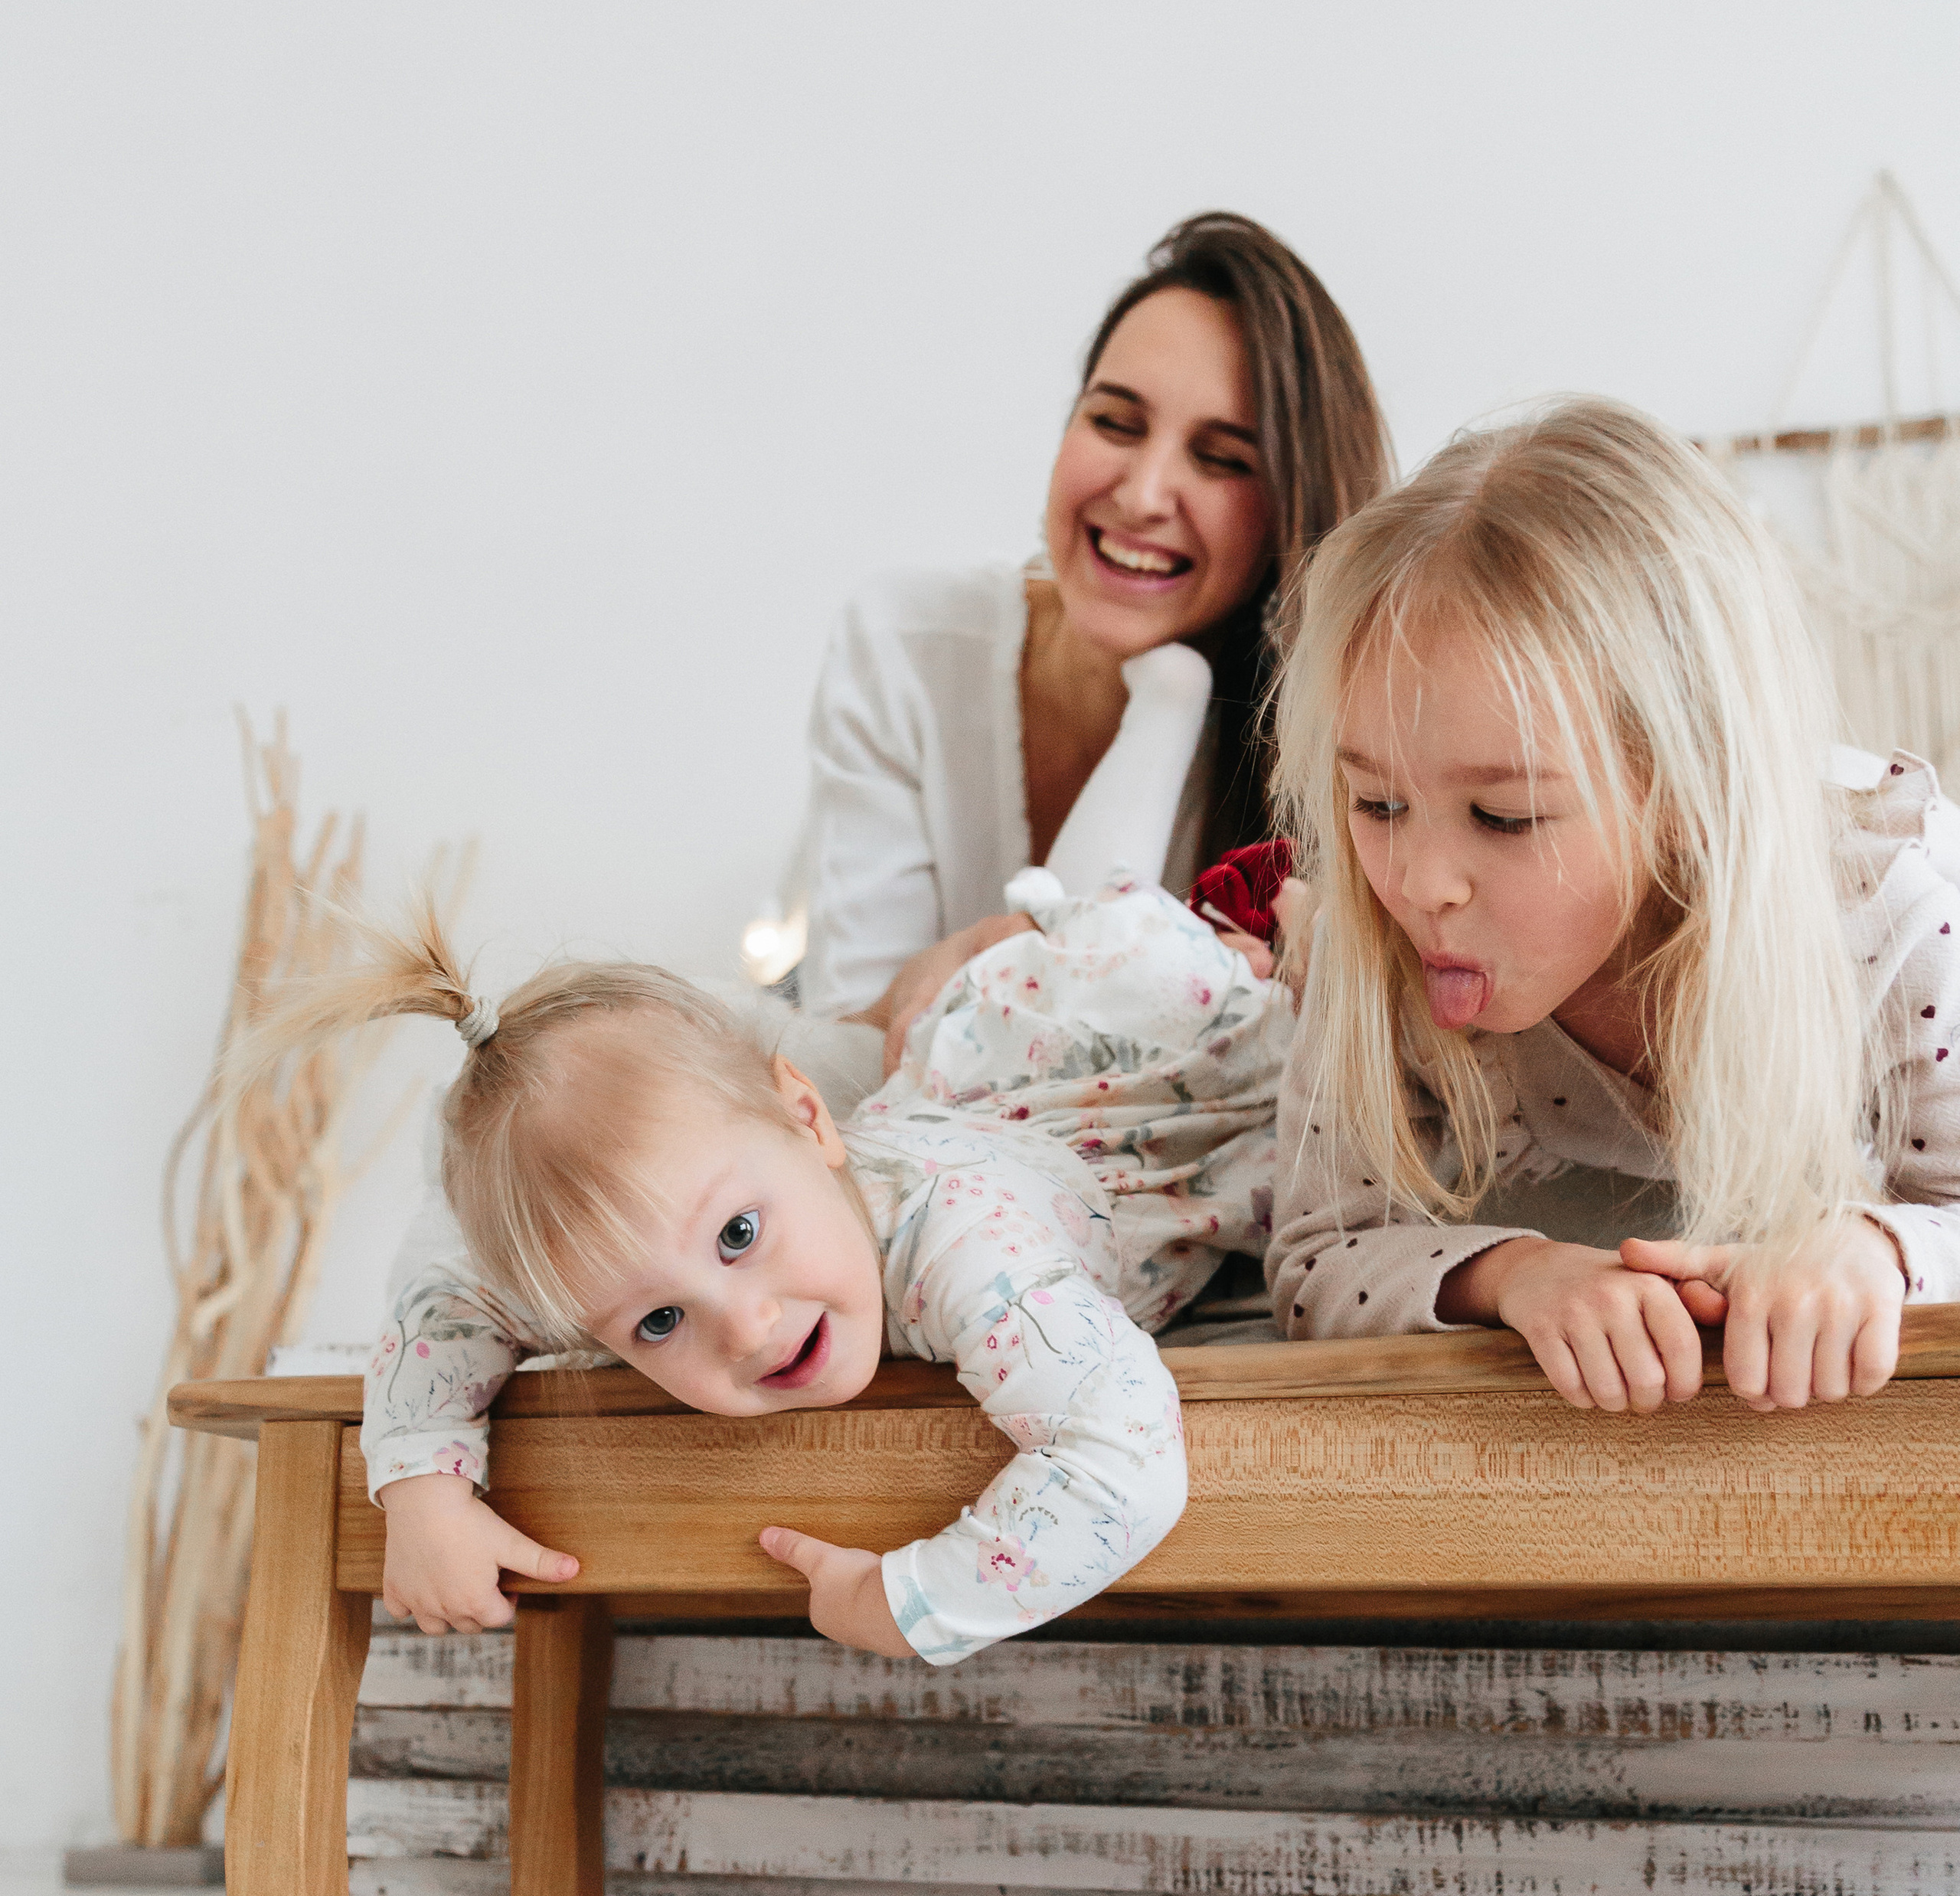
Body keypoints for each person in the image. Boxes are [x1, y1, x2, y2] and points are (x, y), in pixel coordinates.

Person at [263, 874, 1291, 1663]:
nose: (746, 1329)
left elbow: (1126, 1454)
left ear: (809, 1115)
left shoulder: (974, 1252)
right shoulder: (646, 1237)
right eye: (657, 1324)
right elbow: (453, 1294)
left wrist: (914, 1601)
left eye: (739, 1235)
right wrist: (422, 1486)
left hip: (1147, 1074)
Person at [1264, 396, 1960, 1414]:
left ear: (1686, 797)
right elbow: (1317, 1255)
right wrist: (1516, 1275)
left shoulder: (1885, 909)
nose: (1421, 881)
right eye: (1377, 800)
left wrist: (1872, 1246)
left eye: (1503, 816)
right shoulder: (1380, 924)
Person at [795, 211, 1391, 1056]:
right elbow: (836, 1053)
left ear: (1287, 515)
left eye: (1222, 458)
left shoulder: (1326, 738)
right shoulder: (905, 645)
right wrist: (938, 982)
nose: (1144, 493)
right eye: (1115, 421)